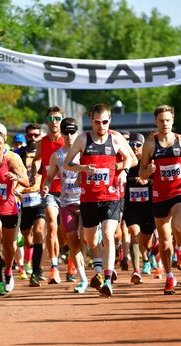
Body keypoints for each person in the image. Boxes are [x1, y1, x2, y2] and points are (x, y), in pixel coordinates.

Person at [63, 103, 133, 297]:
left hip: (110, 196)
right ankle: (101, 264)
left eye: (105, 121)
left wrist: (123, 171)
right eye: (97, 122)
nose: (101, 126)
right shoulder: (83, 140)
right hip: (88, 198)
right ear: (90, 121)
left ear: (109, 120)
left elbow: (130, 158)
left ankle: (108, 279)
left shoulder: (116, 139)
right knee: (91, 240)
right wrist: (82, 169)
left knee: (109, 234)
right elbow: (68, 164)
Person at [139, 105, 181, 295]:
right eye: (161, 120)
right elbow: (141, 172)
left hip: (179, 191)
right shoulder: (150, 144)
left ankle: (180, 247)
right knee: (164, 243)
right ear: (156, 122)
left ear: (172, 121)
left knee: (178, 228)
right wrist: (147, 171)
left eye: (167, 120)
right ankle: (169, 276)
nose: (164, 123)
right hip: (159, 195)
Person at [0, 123, 29, 295]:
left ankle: (8, 271)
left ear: (4, 143)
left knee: (9, 246)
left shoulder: (12, 160)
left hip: (9, 208)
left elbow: (26, 181)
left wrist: (15, 177)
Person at [42, 117, 88, 293]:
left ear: (77, 133)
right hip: (66, 202)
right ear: (61, 134)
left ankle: (99, 267)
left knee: (86, 237)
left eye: (72, 132)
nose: (69, 136)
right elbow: (49, 177)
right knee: (73, 241)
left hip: (85, 201)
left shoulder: (83, 153)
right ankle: (83, 279)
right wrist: (46, 187)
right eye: (66, 132)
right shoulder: (57, 156)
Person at [30, 107, 65, 281]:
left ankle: (71, 265)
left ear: (62, 120)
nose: (54, 122)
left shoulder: (67, 141)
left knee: (67, 233)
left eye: (57, 118)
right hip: (49, 189)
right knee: (51, 224)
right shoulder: (42, 142)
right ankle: (54, 266)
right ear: (47, 121)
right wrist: (33, 171)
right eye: (50, 119)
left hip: (68, 190)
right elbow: (36, 160)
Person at [123, 132, 156, 284]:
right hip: (131, 206)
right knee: (134, 232)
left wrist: (147, 181)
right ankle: (136, 271)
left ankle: (150, 254)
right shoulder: (126, 162)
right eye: (131, 144)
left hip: (148, 207)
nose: (134, 147)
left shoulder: (150, 163)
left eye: (138, 145)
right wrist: (130, 180)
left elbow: (159, 181)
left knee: (146, 242)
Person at [17, 123, 47, 286]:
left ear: (41, 136)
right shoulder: (18, 154)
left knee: (39, 232)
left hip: (40, 197)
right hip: (22, 200)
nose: (33, 138)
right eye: (30, 136)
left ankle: (36, 272)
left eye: (36, 135)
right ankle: (28, 257)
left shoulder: (46, 153)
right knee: (27, 238)